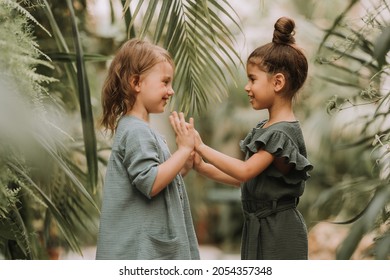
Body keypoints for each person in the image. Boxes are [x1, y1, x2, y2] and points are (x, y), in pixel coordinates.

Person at [170, 16, 313, 260]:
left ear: (278, 82)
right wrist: (201, 166)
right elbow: (243, 180)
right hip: (260, 228)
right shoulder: (265, 128)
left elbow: (245, 171)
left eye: (252, 79)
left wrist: (201, 146)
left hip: (280, 233)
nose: (247, 87)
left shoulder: (281, 133)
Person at [95, 39, 200, 260]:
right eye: (165, 82)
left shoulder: (140, 129)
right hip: (139, 254)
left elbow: (158, 177)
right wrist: (182, 150)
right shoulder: (136, 132)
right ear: (136, 82)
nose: (170, 91)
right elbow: (150, 183)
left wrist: (183, 165)